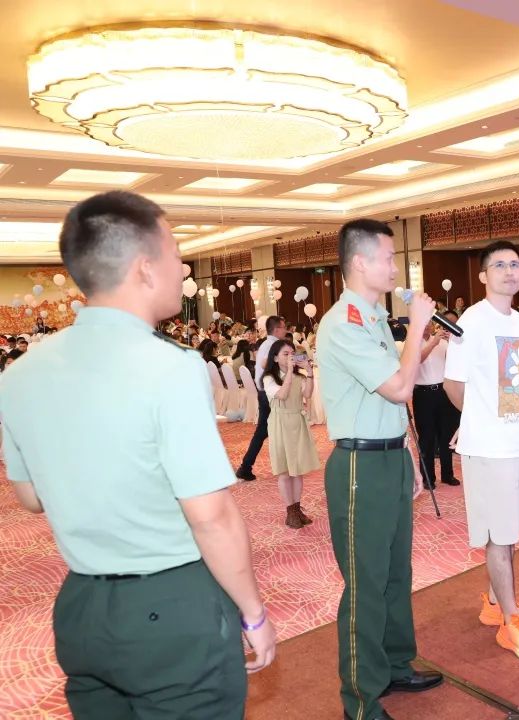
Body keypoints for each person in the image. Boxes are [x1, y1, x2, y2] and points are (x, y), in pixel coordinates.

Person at [0, 191, 276, 717]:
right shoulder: (170, 367)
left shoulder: (19, 375)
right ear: (145, 268)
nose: (182, 267)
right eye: (176, 253)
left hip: (82, 609)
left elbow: (31, 497)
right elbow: (211, 516)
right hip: (171, 609)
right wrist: (253, 613)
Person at [315, 218, 442, 720]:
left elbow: (394, 389)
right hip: (359, 466)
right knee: (366, 583)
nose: (395, 267)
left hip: (389, 456)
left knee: (395, 573)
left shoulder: (372, 317)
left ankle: (394, 664)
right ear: (360, 262)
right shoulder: (343, 322)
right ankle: (362, 698)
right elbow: (398, 388)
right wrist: (417, 327)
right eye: (388, 258)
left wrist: (408, 452)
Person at [443, 241, 519, 661]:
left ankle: (494, 604)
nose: (510, 271)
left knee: (510, 531)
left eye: (515, 264)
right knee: (498, 538)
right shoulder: (472, 320)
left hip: (518, 440)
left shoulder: (518, 319)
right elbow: (453, 384)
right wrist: (476, 422)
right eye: (500, 265)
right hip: (489, 447)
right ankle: (509, 622)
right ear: (484, 275)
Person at [263, 338, 320, 529]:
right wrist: (289, 372)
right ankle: (290, 511)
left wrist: (309, 372)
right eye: (285, 354)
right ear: (275, 357)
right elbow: (282, 394)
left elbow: (308, 394)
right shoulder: (269, 378)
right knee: (285, 471)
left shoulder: (299, 377)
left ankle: (296, 508)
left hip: (297, 422)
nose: (290, 357)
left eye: (292, 354)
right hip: (280, 423)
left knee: (298, 469)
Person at [235, 315, 287, 480]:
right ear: (277, 329)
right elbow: (269, 366)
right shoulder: (274, 346)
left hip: (264, 391)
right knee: (280, 427)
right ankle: (287, 465)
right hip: (270, 393)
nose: (286, 331)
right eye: (284, 327)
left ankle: (246, 467)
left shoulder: (265, 344)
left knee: (265, 430)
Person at [412, 314, 461, 489]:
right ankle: (428, 478)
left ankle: (447, 474)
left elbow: (457, 360)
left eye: (429, 323)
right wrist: (433, 343)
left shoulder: (443, 342)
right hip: (423, 394)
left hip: (443, 392)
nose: (427, 326)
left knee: (446, 435)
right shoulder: (412, 343)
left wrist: (453, 340)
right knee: (426, 437)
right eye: (423, 323)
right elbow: (416, 361)